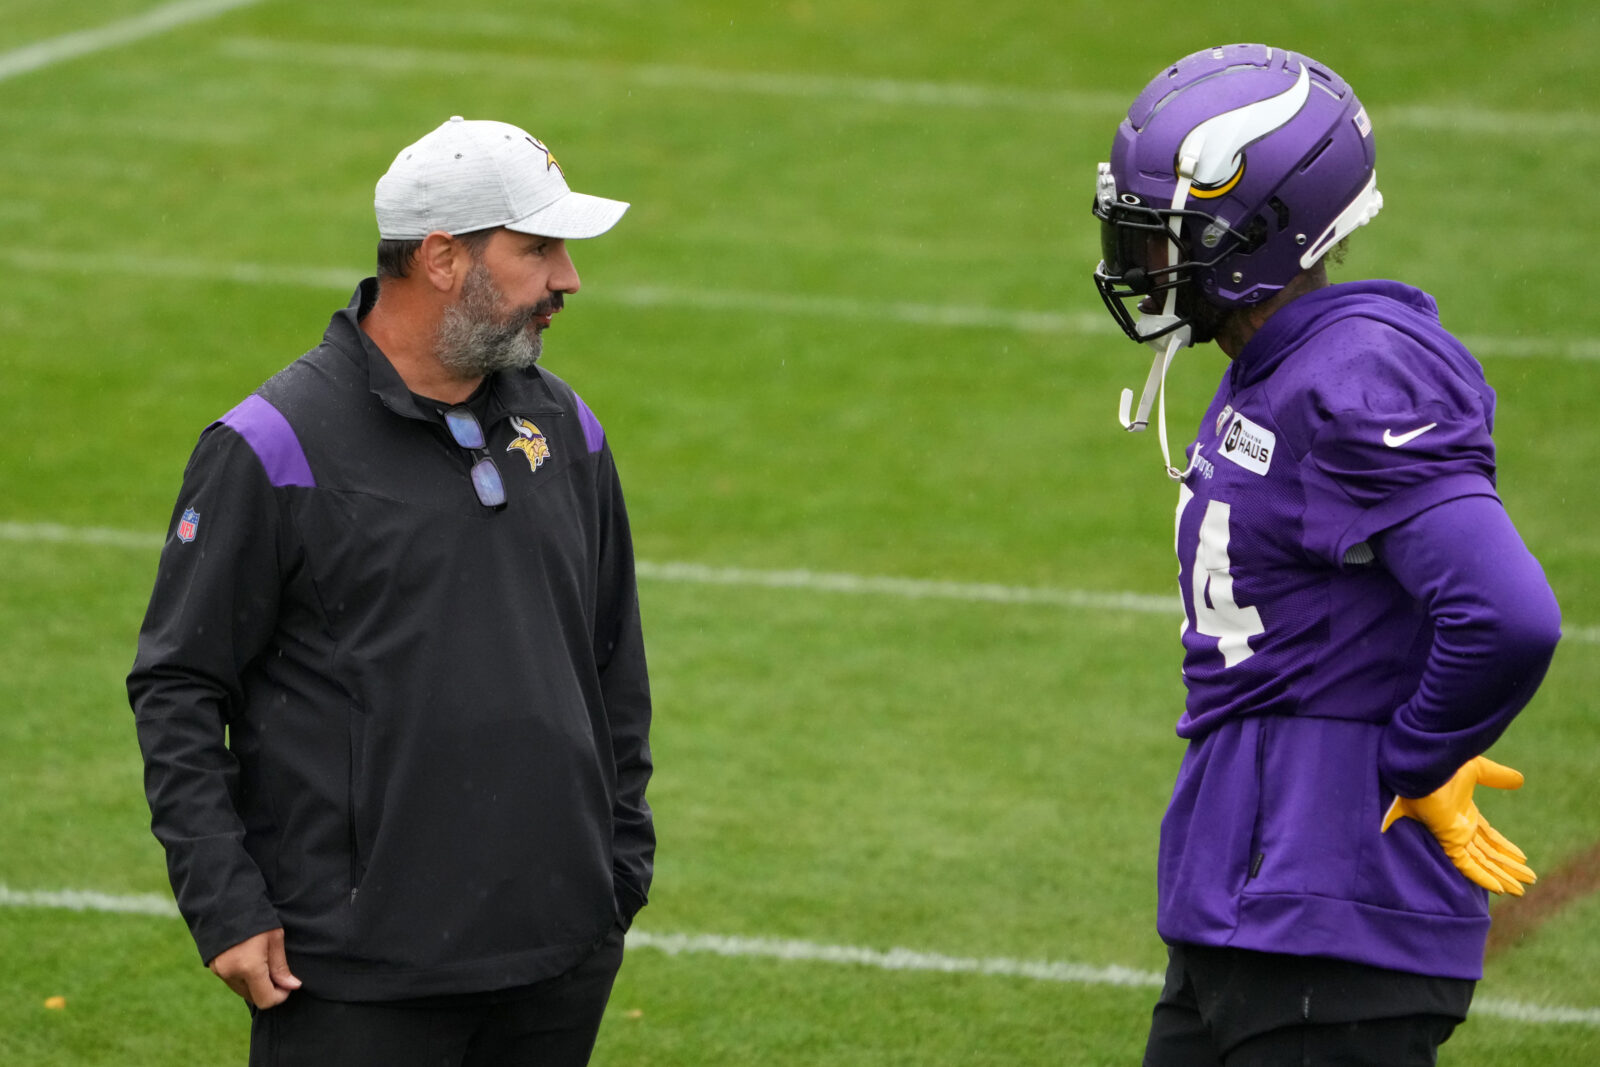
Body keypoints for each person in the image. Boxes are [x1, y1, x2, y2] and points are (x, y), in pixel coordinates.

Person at [128, 116, 653, 1066]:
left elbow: (612, 662)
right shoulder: (270, 448)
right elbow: (179, 685)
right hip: (357, 977)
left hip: (558, 954)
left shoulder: (567, 427)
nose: (567, 280)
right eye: (538, 249)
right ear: (444, 258)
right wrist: (224, 902)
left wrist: (616, 869)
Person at [1089, 45, 1563, 1065]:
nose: (1141, 267)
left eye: (1165, 241)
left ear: (1260, 232)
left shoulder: (1357, 371)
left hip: (1334, 916)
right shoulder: (1269, 363)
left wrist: (1413, 758)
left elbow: (1506, 613)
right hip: (1243, 906)